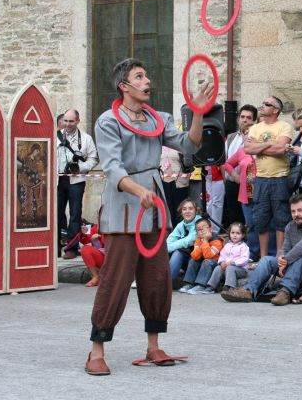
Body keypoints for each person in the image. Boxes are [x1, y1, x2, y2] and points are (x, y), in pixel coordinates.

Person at [86, 58, 212, 375]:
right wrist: (136, 190)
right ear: (123, 86)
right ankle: (96, 350)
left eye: (147, 75)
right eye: (139, 77)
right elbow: (112, 167)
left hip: (154, 207)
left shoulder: (158, 118)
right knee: (114, 279)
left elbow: (189, 143)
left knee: (157, 279)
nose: (147, 81)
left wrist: (197, 111)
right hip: (123, 207)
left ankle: (154, 346)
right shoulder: (107, 121)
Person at [220, 194, 302, 305]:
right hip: (289, 263)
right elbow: (285, 248)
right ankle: (248, 290)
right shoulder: (290, 226)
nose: (296, 214)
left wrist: (285, 260)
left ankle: (285, 292)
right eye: (293, 211)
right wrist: (280, 258)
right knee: (266, 260)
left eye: (300, 210)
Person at [244, 96, 293, 257]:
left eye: (267, 104)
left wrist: (258, 146)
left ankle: (280, 257)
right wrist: (269, 144)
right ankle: (263, 258)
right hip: (261, 178)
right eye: (263, 103)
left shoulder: (284, 126)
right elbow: (248, 149)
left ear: (276, 110)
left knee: (281, 219)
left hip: (280, 178)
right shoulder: (256, 127)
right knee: (261, 219)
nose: (262, 106)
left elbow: (280, 150)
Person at [57, 108, 98, 257]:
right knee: (57, 213)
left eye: (71, 121)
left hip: (76, 179)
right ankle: (57, 246)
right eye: (65, 121)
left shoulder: (86, 139)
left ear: (78, 121)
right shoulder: (55, 137)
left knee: (75, 214)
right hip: (58, 179)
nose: (67, 124)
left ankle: (71, 248)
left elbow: (93, 159)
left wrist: (80, 167)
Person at [223, 122, 258, 259]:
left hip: (261, 195)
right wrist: (235, 176)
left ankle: (266, 254)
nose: (247, 136)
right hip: (247, 195)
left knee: (264, 226)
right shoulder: (241, 151)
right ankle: (252, 254)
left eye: (251, 133)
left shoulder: (262, 151)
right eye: (245, 133)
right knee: (250, 225)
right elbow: (228, 164)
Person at [223, 104, 258, 226]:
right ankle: (236, 243)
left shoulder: (256, 139)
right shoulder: (232, 137)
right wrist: (233, 175)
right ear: (238, 119)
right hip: (232, 182)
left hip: (250, 183)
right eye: (242, 117)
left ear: (254, 121)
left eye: (249, 117)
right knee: (234, 215)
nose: (245, 120)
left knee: (248, 218)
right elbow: (226, 160)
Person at [178, 218, 224, 295]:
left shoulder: (217, 241)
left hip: (214, 264)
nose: (202, 230)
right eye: (199, 229)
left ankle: (201, 285)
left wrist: (205, 241)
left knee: (207, 261)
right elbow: (195, 256)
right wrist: (201, 243)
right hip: (203, 262)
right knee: (193, 260)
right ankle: (189, 283)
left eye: (204, 227)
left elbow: (208, 256)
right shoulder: (198, 241)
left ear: (210, 229)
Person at [201, 222, 250, 294]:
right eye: (232, 233)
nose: (235, 235)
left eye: (238, 233)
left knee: (230, 268)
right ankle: (211, 286)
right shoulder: (227, 245)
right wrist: (221, 262)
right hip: (226, 267)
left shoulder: (244, 247)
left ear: (242, 235)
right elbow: (222, 255)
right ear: (229, 234)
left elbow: (244, 259)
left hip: (241, 269)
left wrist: (232, 263)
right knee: (218, 268)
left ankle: (231, 287)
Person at [165, 198, 199, 281]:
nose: (187, 211)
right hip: (187, 257)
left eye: (190, 209)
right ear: (181, 212)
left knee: (178, 252)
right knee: (162, 252)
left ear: (195, 211)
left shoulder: (200, 222)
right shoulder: (181, 224)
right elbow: (168, 241)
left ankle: (165, 283)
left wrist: (169, 247)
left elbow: (190, 240)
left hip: (198, 259)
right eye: (184, 209)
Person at [160, 145, 190, 227]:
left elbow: (188, 162)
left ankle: (182, 231)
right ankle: (171, 231)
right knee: (168, 209)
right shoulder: (159, 146)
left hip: (179, 183)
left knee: (180, 209)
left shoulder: (179, 145)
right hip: (164, 182)